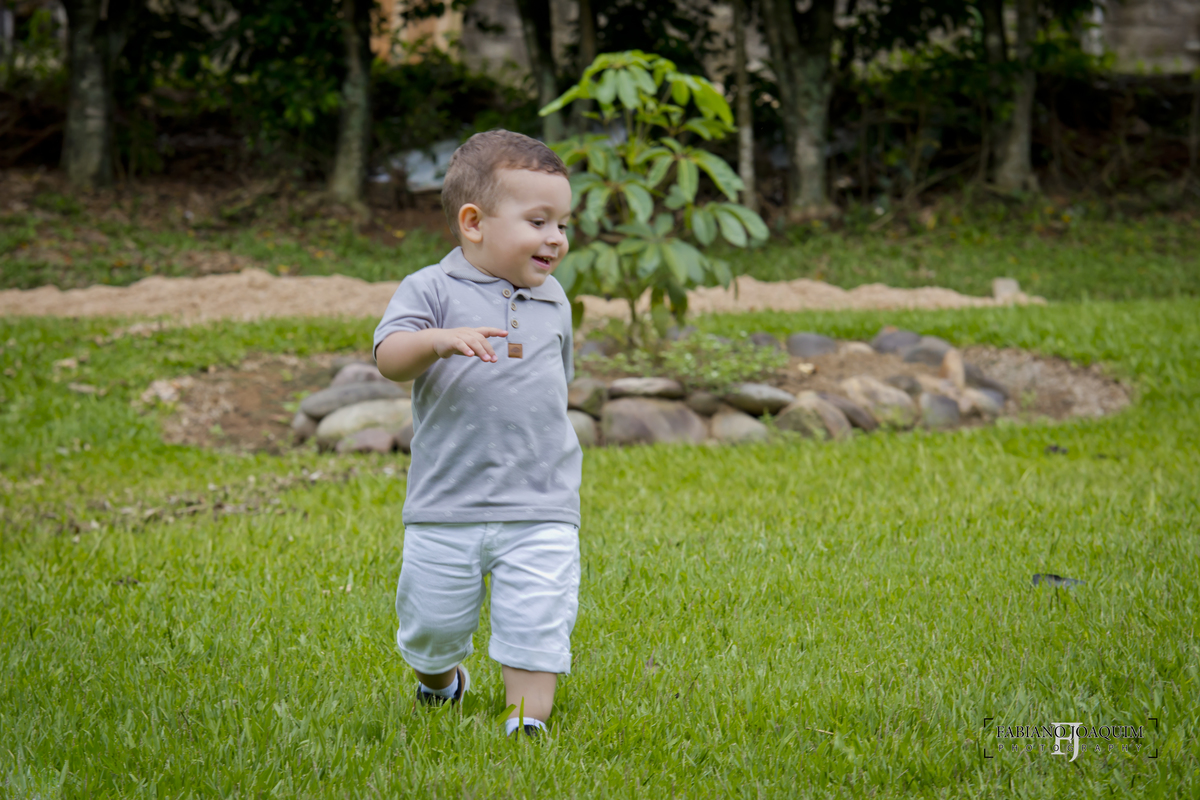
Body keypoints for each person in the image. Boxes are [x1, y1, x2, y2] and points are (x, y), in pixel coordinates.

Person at [373, 130, 581, 738]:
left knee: (537, 624)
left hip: (541, 503)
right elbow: (389, 359)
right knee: (432, 630)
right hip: (447, 503)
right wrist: (436, 340)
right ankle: (441, 679)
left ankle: (526, 720)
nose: (556, 238)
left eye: (563, 224)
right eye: (538, 221)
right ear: (473, 223)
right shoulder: (431, 289)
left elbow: (557, 383)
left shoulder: (554, 301)